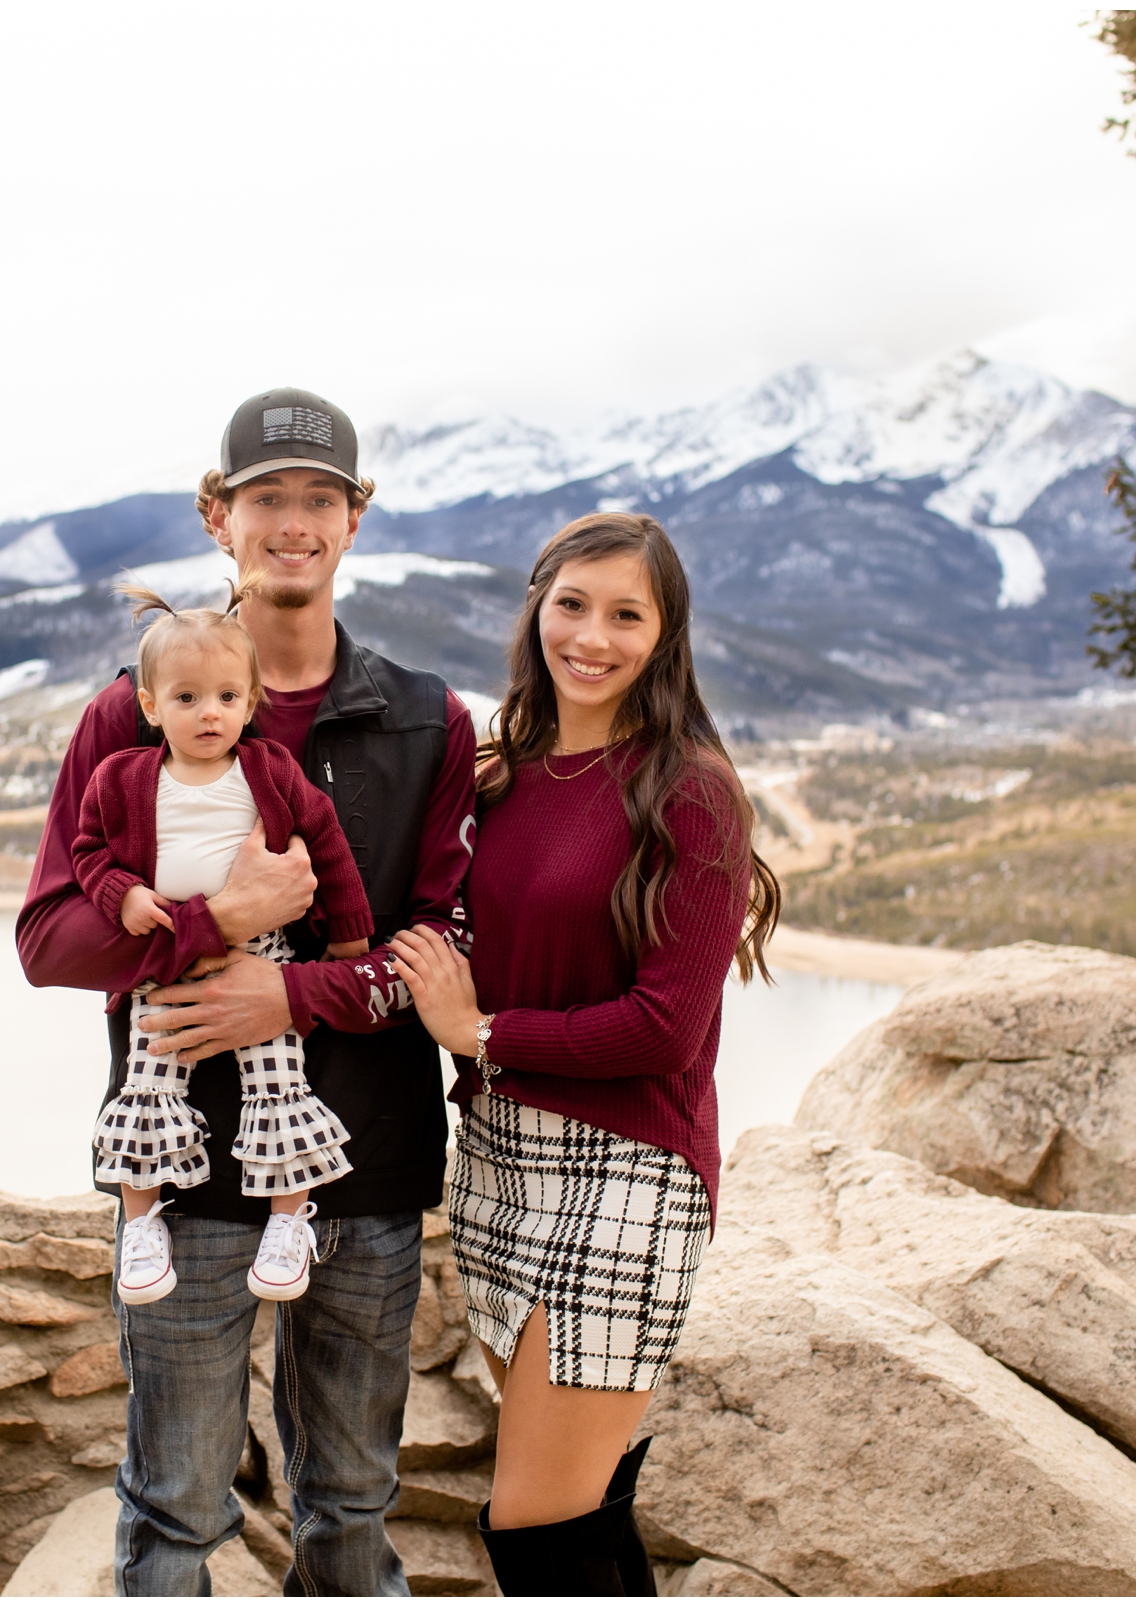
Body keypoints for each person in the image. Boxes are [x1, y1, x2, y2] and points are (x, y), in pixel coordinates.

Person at [17, 386, 478, 1596]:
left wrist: (295, 996)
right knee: (174, 1507)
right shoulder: (129, 714)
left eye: (317, 498)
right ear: (217, 516)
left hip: (366, 1164)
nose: (292, 521)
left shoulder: (429, 720)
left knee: (351, 1502)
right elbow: (51, 940)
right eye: (265, 497)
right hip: (179, 1181)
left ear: (354, 521)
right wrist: (219, 924)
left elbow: (438, 938)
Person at [389, 511, 779, 1597]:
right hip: (499, 1162)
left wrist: (480, 1034)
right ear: (535, 608)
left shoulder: (690, 787)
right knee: (584, 1519)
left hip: (627, 1171)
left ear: (665, 633)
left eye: (625, 613)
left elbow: (665, 1023)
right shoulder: (499, 771)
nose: (592, 636)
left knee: (536, 1531)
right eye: (572, 604)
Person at [75, 583, 374, 1303]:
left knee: (278, 1078)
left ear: (249, 700)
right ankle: (142, 1227)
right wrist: (127, 895)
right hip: (167, 963)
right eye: (186, 698)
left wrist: (350, 933)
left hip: (262, 956)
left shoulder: (267, 769)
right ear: (150, 705)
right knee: (147, 1078)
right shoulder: (123, 778)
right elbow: (88, 852)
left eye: (226, 697)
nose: (209, 713)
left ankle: (288, 1217)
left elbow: (327, 841)